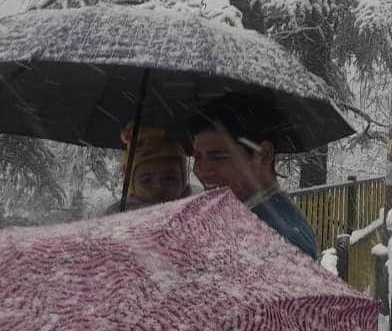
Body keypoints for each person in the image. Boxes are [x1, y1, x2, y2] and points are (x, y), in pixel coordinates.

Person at [188, 95, 319, 260]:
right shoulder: (246, 218)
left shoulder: (281, 242)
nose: (201, 170)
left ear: (263, 155)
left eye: (219, 156)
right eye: (197, 157)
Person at [102, 124, 192, 215]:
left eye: (169, 179)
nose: (158, 188)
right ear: (131, 185)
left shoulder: (195, 215)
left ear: (183, 183)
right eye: (147, 180)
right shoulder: (118, 220)